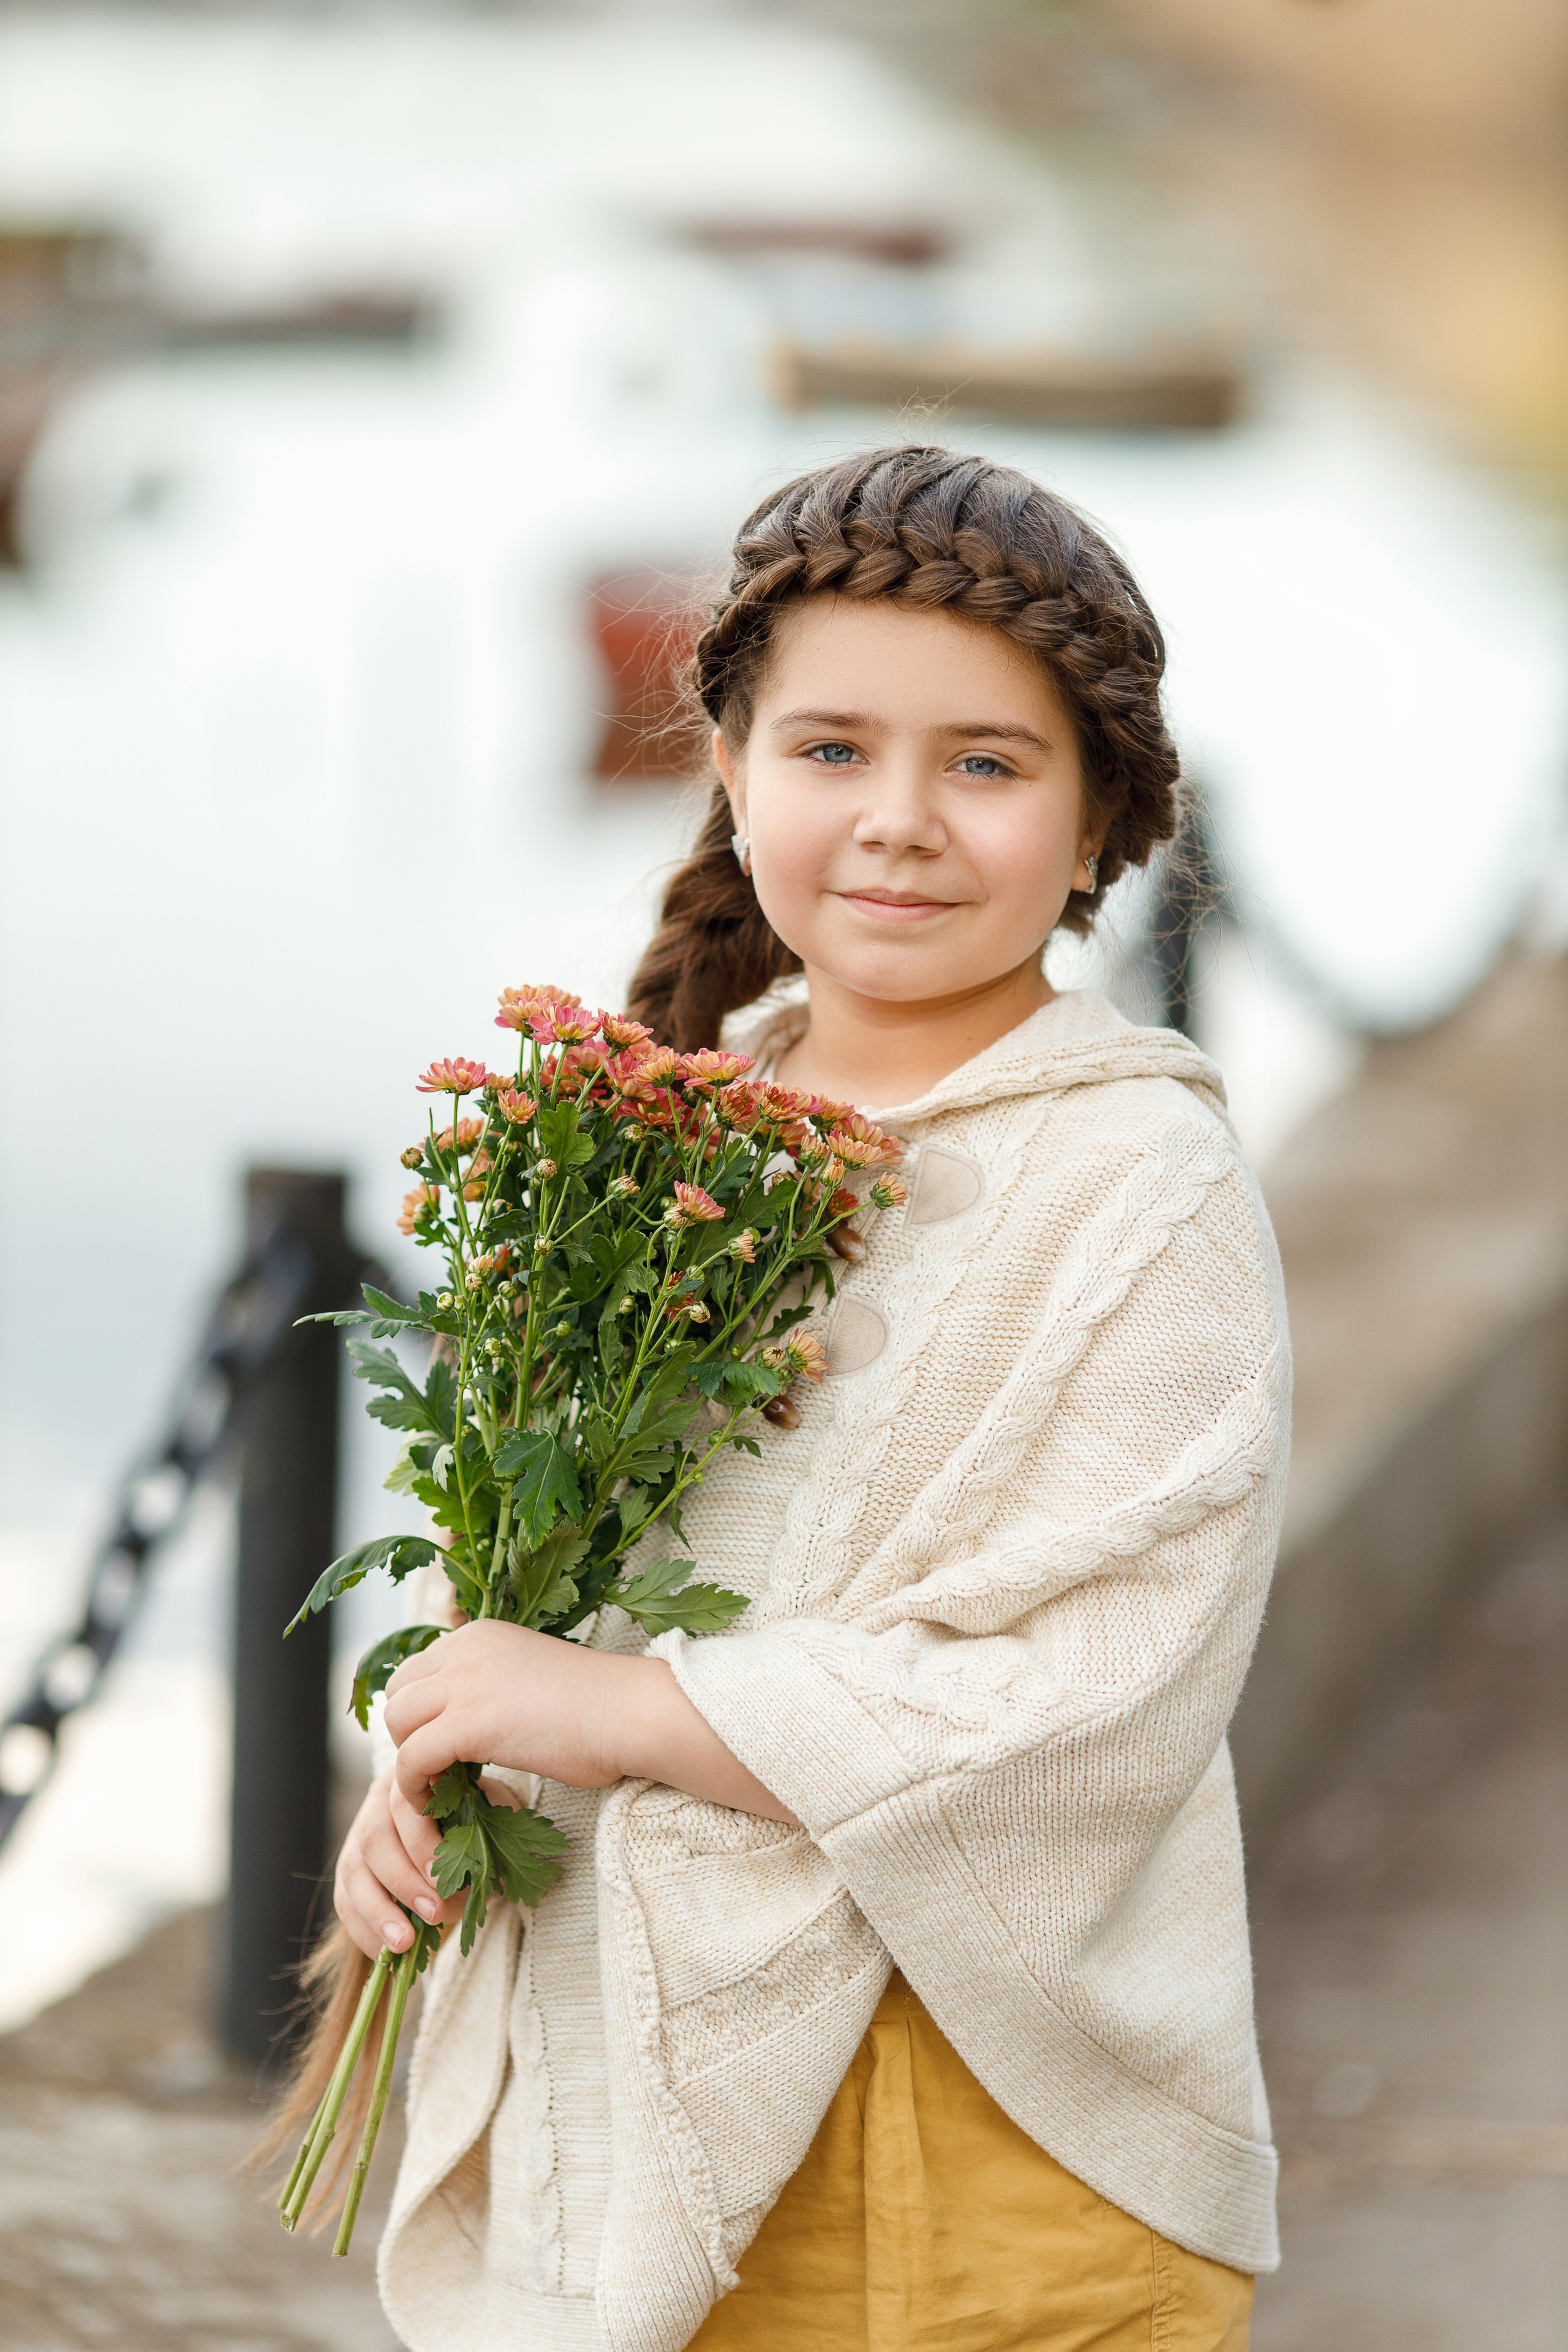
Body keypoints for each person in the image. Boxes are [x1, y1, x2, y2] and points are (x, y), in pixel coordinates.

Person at [333, 445, 1286, 2351]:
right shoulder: (659, 1137)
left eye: (989, 764)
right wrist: (447, 1740)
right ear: (732, 769)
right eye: (833, 750)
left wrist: (616, 1703)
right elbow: (545, 1556)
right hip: (649, 2117)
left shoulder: (1134, 1189)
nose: (902, 823)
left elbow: (1094, 1702)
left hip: (984, 2155)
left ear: (1105, 822)